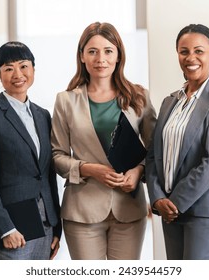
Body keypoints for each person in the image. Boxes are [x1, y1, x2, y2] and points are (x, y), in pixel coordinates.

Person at [51, 22, 156, 260]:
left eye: (108, 50)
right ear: (82, 56)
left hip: (129, 210)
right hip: (82, 213)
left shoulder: (139, 97)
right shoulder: (65, 101)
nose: (101, 58)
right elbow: (57, 157)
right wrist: (89, 169)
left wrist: (138, 172)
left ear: (118, 55)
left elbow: (154, 150)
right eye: (92, 51)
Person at [146, 24, 209, 260]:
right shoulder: (170, 102)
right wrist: (158, 199)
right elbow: (154, 154)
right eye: (184, 51)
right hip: (171, 211)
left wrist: (174, 203)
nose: (191, 58)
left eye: (199, 51)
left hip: (205, 211)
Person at [0, 41, 62, 260]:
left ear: (33, 69)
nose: (18, 74)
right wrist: (5, 228)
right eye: (9, 68)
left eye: (23, 66)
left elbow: (48, 174)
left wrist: (56, 226)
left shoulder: (43, 116)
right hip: (13, 229)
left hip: (45, 228)